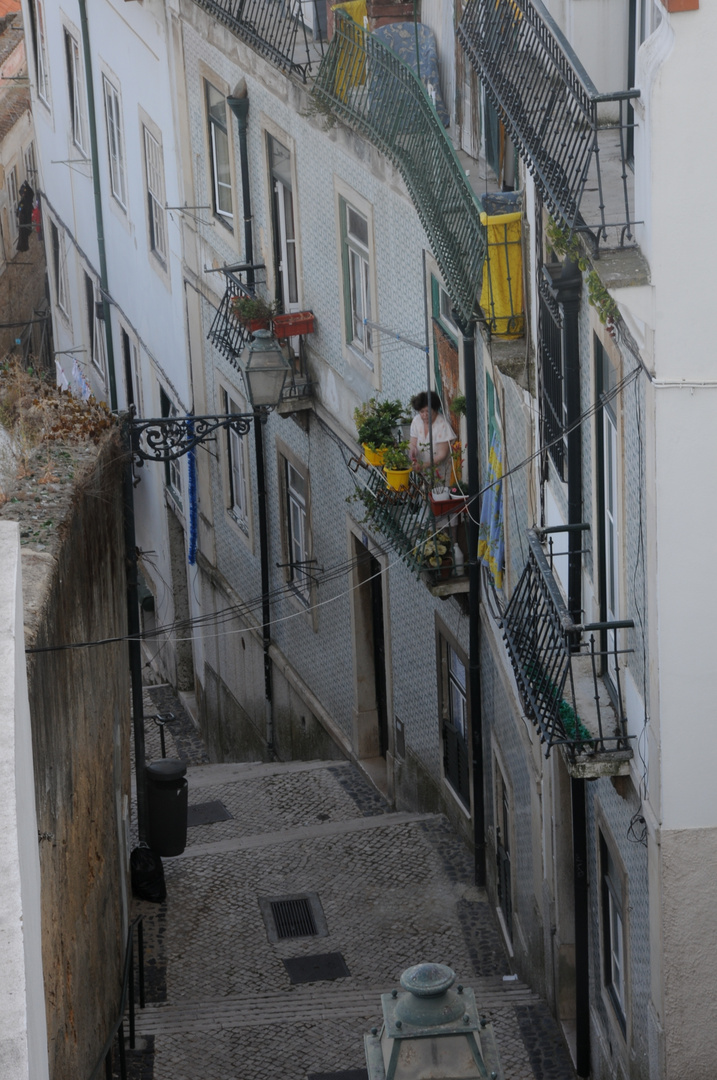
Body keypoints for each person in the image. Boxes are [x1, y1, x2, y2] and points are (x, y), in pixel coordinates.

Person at [409, 390, 456, 485]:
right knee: (423, 494)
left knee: (438, 495)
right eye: (422, 412)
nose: (425, 415)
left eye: (428, 411)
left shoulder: (442, 425)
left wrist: (423, 465)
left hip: (439, 473)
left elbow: (442, 455)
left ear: (435, 409)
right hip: (421, 471)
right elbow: (412, 443)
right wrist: (412, 451)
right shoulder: (416, 421)